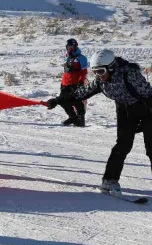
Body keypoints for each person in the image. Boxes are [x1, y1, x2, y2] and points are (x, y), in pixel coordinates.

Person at [46, 49, 152, 195]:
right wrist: (58, 100)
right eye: (95, 72)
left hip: (147, 108)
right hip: (124, 110)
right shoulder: (101, 82)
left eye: (101, 71)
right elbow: (79, 94)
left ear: (111, 67)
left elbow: (149, 95)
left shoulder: (129, 75)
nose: (98, 76)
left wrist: (144, 119)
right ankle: (109, 180)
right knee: (122, 145)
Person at [58, 38, 88, 127]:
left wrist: (80, 83)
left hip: (75, 83)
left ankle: (80, 121)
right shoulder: (67, 56)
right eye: (68, 47)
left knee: (77, 102)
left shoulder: (81, 58)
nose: (70, 48)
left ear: (75, 46)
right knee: (62, 101)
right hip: (65, 83)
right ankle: (73, 117)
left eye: (72, 46)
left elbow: (84, 72)